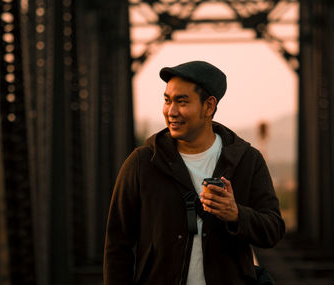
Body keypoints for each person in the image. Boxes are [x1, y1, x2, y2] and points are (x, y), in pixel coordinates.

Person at [103, 61, 285, 285]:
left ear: (209, 106)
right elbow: (117, 246)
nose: (171, 111)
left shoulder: (247, 160)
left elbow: (273, 229)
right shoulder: (142, 163)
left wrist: (236, 214)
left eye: (182, 102)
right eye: (167, 100)